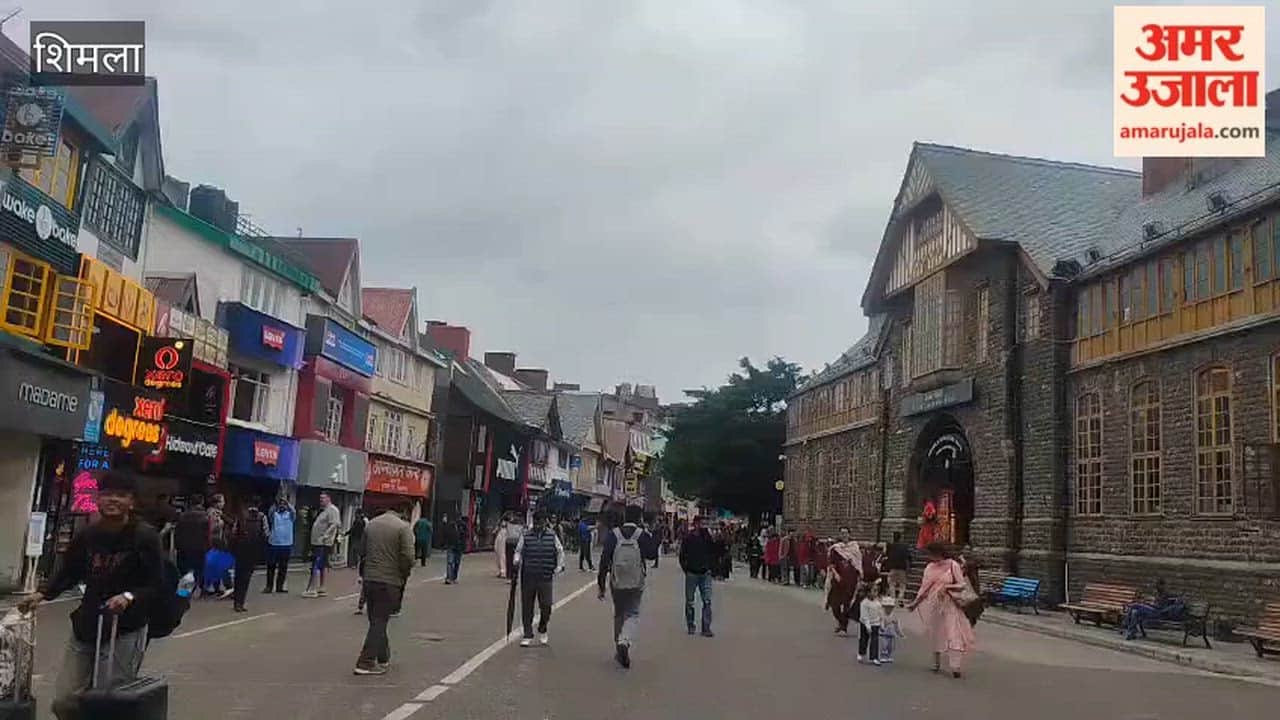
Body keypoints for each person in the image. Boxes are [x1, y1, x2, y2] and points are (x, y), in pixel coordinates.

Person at [18, 472, 163, 720]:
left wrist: (128, 597)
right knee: (64, 700)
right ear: (97, 499)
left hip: (125, 628)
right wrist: (42, 594)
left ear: (132, 502)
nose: (113, 500)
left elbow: (156, 584)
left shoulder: (145, 537)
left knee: (110, 700)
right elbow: (69, 572)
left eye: (121, 495)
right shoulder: (88, 535)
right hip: (87, 625)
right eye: (107, 494)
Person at [352, 506, 415, 675]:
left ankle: (383, 657)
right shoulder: (403, 528)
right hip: (389, 580)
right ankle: (365, 662)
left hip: (370, 579)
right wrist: (403, 574)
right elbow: (408, 556)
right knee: (380, 620)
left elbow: (362, 552)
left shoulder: (371, 524)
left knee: (376, 620)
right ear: (402, 512)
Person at [597, 506, 659, 668]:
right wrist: (653, 533)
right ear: (640, 518)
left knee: (619, 613)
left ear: (625, 516)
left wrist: (601, 584)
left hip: (617, 581)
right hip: (635, 581)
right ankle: (624, 641)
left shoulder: (614, 535)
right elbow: (652, 554)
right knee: (632, 612)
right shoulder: (642, 535)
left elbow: (604, 560)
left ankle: (619, 646)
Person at [906, 542, 977, 678]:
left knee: (953, 633)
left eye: (933, 554)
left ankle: (955, 665)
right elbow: (924, 589)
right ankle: (936, 662)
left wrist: (947, 587)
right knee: (936, 633)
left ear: (940, 553)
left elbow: (962, 584)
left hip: (950, 604)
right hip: (934, 604)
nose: (931, 557)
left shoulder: (953, 565)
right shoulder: (929, 567)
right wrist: (915, 603)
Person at [513, 511, 564, 647]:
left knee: (546, 605)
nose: (538, 525)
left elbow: (560, 551)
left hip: (545, 576)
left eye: (541, 522)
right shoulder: (526, 535)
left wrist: (559, 566)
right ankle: (527, 634)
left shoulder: (552, 536)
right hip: (528, 576)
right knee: (527, 607)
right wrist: (516, 560)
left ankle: (542, 627)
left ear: (545, 522)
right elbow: (518, 550)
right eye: (536, 522)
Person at [678, 516, 715, 637]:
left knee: (707, 600)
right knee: (690, 601)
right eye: (701, 523)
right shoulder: (688, 538)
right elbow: (682, 555)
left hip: (705, 573)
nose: (703, 526)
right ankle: (690, 624)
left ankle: (706, 627)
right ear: (695, 524)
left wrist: (710, 567)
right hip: (692, 573)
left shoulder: (707, 538)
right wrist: (686, 568)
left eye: (704, 524)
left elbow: (714, 551)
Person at [230, 499, 268, 613]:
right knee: (246, 577)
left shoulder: (241, 516)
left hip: (240, 549)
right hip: (253, 550)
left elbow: (233, 532)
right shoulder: (262, 517)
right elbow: (266, 534)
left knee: (238, 576)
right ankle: (241, 602)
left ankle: (236, 602)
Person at [302, 492, 342, 597]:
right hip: (318, 542)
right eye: (320, 498)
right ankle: (321, 587)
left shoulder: (332, 510)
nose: (321, 500)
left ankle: (312, 588)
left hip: (323, 543)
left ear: (329, 499)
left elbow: (334, 524)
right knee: (321, 565)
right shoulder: (324, 511)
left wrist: (325, 536)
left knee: (316, 564)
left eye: (323, 498)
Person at [825, 531, 862, 636]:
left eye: (846, 533)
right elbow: (831, 563)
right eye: (842, 533)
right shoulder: (835, 549)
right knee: (834, 604)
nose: (844, 535)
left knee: (847, 604)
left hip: (851, 580)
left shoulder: (855, 548)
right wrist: (836, 574)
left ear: (849, 535)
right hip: (838, 580)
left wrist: (860, 575)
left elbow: (858, 563)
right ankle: (841, 622)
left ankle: (844, 628)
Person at [174, 496, 209, 596]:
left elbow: (178, 532)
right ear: (201, 502)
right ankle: (201, 589)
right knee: (199, 568)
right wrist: (207, 546)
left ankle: (185, 591)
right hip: (199, 546)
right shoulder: (204, 516)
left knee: (186, 569)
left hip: (184, 546)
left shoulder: (183, 516)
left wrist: (178, 545)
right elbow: (207, 533)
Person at [264, 497, 295, 593]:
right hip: (274, 544)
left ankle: (279, 587)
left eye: (284, 504)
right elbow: (270, 511)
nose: (282, 506)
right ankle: (269, 587)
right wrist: (276, 501)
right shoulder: (275, 515)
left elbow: (293, 510)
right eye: (280, 504)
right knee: (271, 566)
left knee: (283, 567)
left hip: (286, 545)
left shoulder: (290, 515)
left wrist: (287, 502)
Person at [858, 578, 887, 666]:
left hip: (875, 624)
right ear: (868, 592)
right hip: (865, 624)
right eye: (873, 591)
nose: (875, 593)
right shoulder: (864, 603)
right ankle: (861, 653)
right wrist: (867, 626)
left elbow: (881, 614)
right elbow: (865, 615)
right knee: (864, 639)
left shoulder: (878, 603)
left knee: (875, 640)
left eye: (876, 591)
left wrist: (882, 624)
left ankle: (874, 657)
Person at [884, 531, 912, 606]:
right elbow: (908, 557)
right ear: (900, 538)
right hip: (902, 568)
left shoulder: (890, 545)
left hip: (892, 567)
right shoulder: (904, 546)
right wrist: (909, 566)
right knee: (902, 584)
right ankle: (900, 598)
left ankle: (893, 598)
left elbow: (886, 554)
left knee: (891, 583)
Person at [880, 583, 901, 663]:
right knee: (884, 645)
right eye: (887, 607)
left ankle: (889, 655)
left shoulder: (894, 615)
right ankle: (883, 656)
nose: (888, 609)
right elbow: (881, 621)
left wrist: (899, 632)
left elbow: (896, 624)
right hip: (884, 632)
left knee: (890, 646)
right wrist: (882, 627)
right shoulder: (882, 615)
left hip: (891, 633)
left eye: (890, 607)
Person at [442, 515, 465, 584]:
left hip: (459, 547)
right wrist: (444, 544)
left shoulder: (463, 526)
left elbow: (466, 536)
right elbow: (445, 535)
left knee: (457, 563)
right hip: (451, 546)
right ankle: (449, 578)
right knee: (450, 562)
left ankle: (454, 577)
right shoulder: (450, 526)